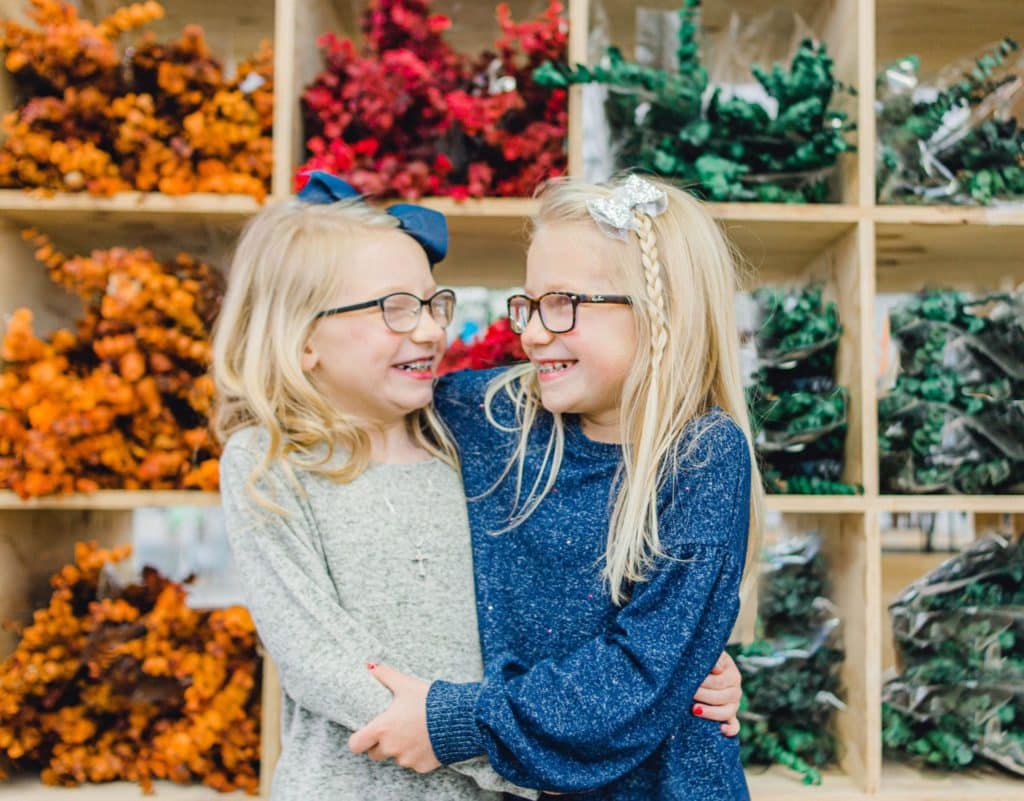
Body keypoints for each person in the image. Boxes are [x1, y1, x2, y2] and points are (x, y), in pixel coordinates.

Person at [213, 172, 743, 801]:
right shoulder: (491, 420)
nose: (533, 333)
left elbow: (640, 665)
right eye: (530, 304)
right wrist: (491, 744)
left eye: (563, 304)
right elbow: (315, 656)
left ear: (661, 311)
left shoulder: (690, 453)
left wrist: (684, 669)